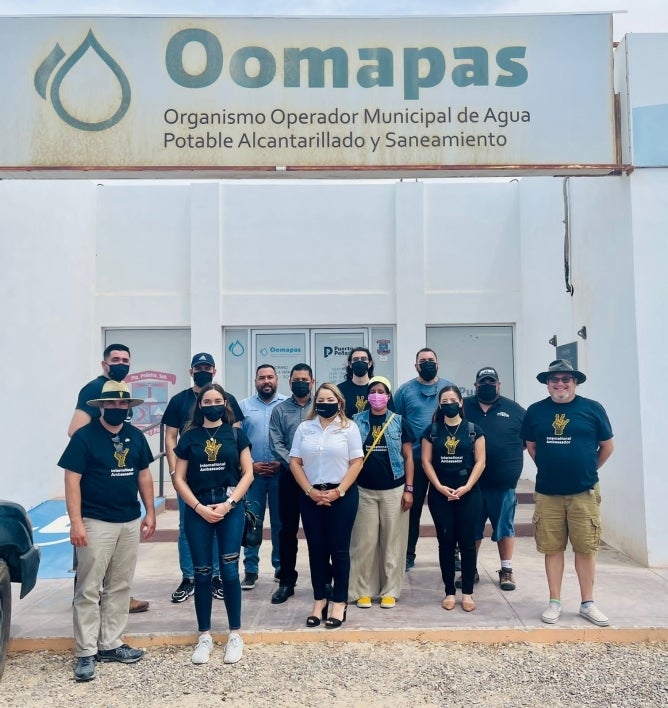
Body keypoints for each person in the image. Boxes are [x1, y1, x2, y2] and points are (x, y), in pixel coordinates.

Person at [59, 381, 156, 682]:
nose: (117, 408)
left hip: (128, 521)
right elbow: (71, 480)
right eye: (111, 404)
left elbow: (144, 475)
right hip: (95, 521)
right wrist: (75, 522)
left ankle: (111, 644)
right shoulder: (84, 437)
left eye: (122, 404)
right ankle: (85, 652)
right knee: (88, 589)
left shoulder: (136, 436)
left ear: (129, 407)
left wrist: (150, 511)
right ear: (101, 406)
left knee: (120, 585)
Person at [522, 359, 614, 627]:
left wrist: (586, 469)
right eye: (555, 380)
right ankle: (555, 601)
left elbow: (607, 446)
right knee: (553, 548)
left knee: (586, 548)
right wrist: (553, 468)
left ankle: (588, 603)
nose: (560, 384)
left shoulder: (592, 409)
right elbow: (532, 446)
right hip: (548, 493)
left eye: (566, 379)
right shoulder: (536, 412)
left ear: (575, 382)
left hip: (583, 493)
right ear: (547, 384)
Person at [172, 383, 254, 665]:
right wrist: (197, 507)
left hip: (229, 506)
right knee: (203, 572)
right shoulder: (189, 437)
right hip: (198, 507)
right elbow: (178, 478)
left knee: (230, 571)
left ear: (226, 404)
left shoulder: (236, 434)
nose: (213, 404)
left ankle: (234, 634)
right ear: (200, 406)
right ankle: (204, 635)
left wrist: (229, 504)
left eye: (218, 400)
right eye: (207, 401)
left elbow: (248, 473)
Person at [67, 343, 148, 614]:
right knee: (93, 556)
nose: (121, 364)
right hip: (95, 490)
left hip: (123, 504)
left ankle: (116, 599)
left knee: (117, 561)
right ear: (105, 364)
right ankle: (90, 600)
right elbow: (75, 431)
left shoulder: (121, 390)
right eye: (116, 359)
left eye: (126, 359)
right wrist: (101, 447)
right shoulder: (95, 388)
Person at [163, 352, 245, 604]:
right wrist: (175, 471)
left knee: (221, 525)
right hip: (190, 478)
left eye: (207, 367)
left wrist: (237, 471)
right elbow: (170, 436)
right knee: (187, 528)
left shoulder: (226, 398)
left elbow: (237, 434)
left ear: (214, 370)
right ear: (191, 371)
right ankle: (189, 577)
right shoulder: (179, 400)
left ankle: (217, 577)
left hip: (223, 478)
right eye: (199, 367)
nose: (203, 370)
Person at [289, 383, 363, 628]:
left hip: (342, 496)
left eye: (330, 399)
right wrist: (310, 491)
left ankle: (339, 603)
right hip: (310, 496)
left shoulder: (349, 428)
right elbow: (295, 463)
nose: (324, 403)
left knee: (339, 551)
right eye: (320, 399)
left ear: (339, 402)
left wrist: (338, 491)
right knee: (316, 550)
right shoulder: (304, 428)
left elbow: (356, 463)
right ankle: (319, 600)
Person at [349, 376, 414, 609]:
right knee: (364, 543)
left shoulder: (398, 422)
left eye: (381, 391)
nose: (377, 395)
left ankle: (390, 590)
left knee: (392, 542)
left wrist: (409, 489)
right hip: (363, 491)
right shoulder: (355, 422)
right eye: (373, 391)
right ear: (367, 396)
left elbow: (408, 457)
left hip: (394, 491)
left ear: (388, 396)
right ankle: (362, 590)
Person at [422, 385, 485, 612]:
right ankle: (449, 591)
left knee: (468, 544)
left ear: (460, 402)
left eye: (453, 399)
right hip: (441, 494)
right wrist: (438, 486)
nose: (449, 403)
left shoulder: (473, 430)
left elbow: (480, 461)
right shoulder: (432, 431)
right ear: (440, 405)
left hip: (469, 493)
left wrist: (467, 486)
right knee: (446, 544)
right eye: (444, 400)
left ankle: (467, 593)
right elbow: (426, 461)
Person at [463, 366, 526, 591]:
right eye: (483, 383)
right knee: (471, 528)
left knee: (505, 528)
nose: (487, 386)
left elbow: (528, 443)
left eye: (492, 382)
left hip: (503, 484)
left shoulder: (516, 410)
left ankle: (506, 570)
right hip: (471, 484)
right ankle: (470, 569)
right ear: (476, 385)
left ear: (499, 385)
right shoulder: (464, 406)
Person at [393, 347, 453, 571]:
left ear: (437, 364)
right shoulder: (405, 391)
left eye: (431, 360)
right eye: (423, 361)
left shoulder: (447, 388)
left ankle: (451, 552)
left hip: (444, 460)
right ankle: (408, 554)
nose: (427, 363)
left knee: (446, 509)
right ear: (416, 365)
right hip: (415, 461)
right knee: (412, 508)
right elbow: (396, 423)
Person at [267, 363, 314, 604]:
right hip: (288, 478)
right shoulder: (280, 410)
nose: (300, 383)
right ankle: (286, 581)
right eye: (296, 379)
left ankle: (323, 580)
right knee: (287, 531)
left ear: (312, 382)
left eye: (305, 379)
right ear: (290, 382)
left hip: (319, 477)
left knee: (319, 530)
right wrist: (296, 466)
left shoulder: (322, 406)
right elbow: (276, 444)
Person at [238, 364, 287, 589]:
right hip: (252, 475)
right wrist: (251, 466)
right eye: (261, 378)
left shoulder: (287, 405)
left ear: (277, 380)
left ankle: (280, 567)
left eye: (270, 377)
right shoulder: (243, 406)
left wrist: (282, 462)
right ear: (255, 381)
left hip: (280, 474)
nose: (266, 381)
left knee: (280, 523)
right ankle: (250, 570)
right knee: (251, 522)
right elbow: (238, 441)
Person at [338, 346, 375, 418]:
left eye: (364, 359)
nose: (359, 361)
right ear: (350, 364)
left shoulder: (378, 388)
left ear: (370, 363)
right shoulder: (339, 389)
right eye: (355, 359)